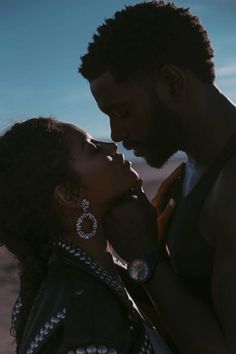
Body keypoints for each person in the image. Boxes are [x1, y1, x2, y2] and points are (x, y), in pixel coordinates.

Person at [79, 1, 236, 354]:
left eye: (122, 112)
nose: (115, 133)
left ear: (172, 83)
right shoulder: (194, 169)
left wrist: (145, 257)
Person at [0, 117, 175, 354]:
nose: (112, 147)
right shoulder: (87, 317)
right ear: (69, 194)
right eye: (92, 149)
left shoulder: (94, 279)